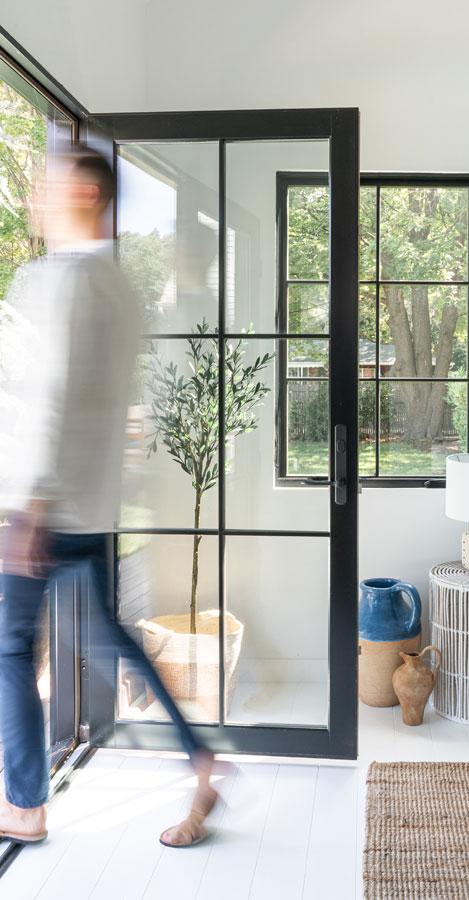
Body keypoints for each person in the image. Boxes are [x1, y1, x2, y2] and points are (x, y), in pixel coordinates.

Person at [0, 144, 216, 848]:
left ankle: (26, 806)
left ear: (85, 196)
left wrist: (27, 509)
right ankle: (198, 752)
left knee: (7, 650)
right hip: (93, 503)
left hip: (44, 508)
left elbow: (47, 398)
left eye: (47, 185)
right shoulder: (122, 288)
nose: (34, 196)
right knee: (106, 634)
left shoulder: (57, 279)